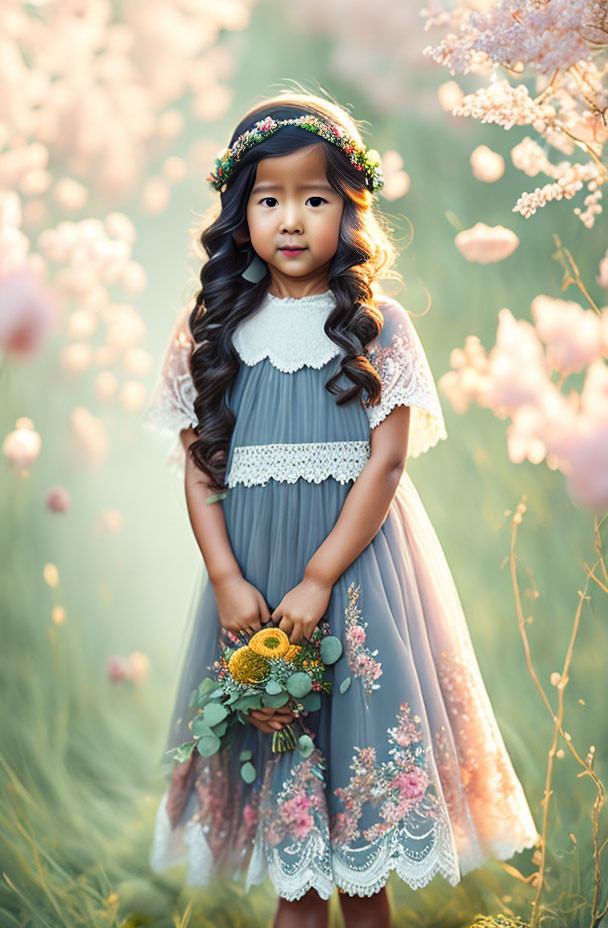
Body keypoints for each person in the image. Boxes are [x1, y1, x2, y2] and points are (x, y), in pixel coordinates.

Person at [142, 89, 539, 928]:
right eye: (270, 198)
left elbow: (387, 462)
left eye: (315, 198)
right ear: (239, 209)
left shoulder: (377, 328)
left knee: (361, 858)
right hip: (254, 587)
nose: (292, 219)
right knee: (295, 861)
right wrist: (224, 579)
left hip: (354, 584)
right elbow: (198, 470)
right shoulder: (212, 334)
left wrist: (323, 575)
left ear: (348, 211)